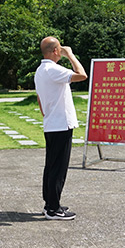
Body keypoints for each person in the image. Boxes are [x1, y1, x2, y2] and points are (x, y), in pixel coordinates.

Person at [34, 37, 87, 220]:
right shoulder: (53, 69)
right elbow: (82, 75)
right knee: (58, 168)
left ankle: (50, 203)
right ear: (56, 51)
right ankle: (53, 209)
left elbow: (40, 99)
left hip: (51, 123)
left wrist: (47, 114)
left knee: (51, 166)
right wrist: (70, 54)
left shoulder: (40, 71)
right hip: (61, 125)